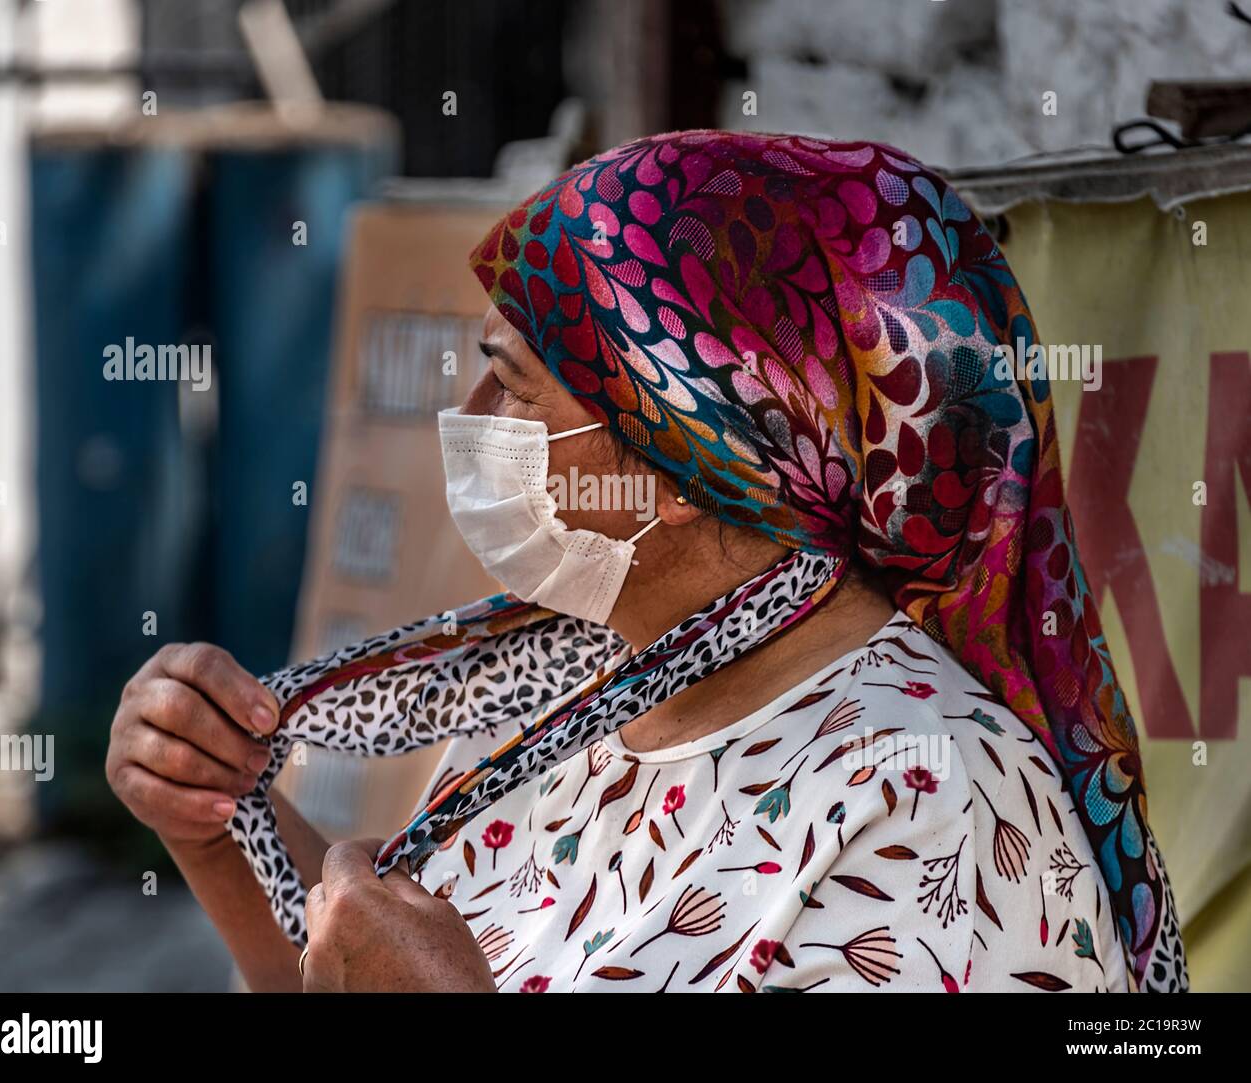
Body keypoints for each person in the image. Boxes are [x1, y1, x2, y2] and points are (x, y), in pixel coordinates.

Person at [106, 130, 1186, 993]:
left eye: (513, 383)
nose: (471, 418)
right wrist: (211, 818)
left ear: (682, 465)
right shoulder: (562, 690)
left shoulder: (930, 801)